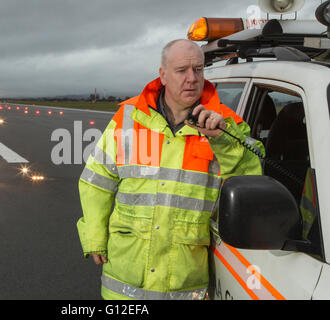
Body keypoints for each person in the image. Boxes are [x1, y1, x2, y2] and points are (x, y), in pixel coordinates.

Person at [77, 39, 264, 300]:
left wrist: (221, 139)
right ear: (162, 75)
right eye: (181, 70)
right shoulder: (129, 116)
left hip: (183, 279)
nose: (191, 78)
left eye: (198, 70)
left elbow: (252, 180)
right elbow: (97, 180)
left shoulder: (226, 125)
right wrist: (94, 235)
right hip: (125, 275)